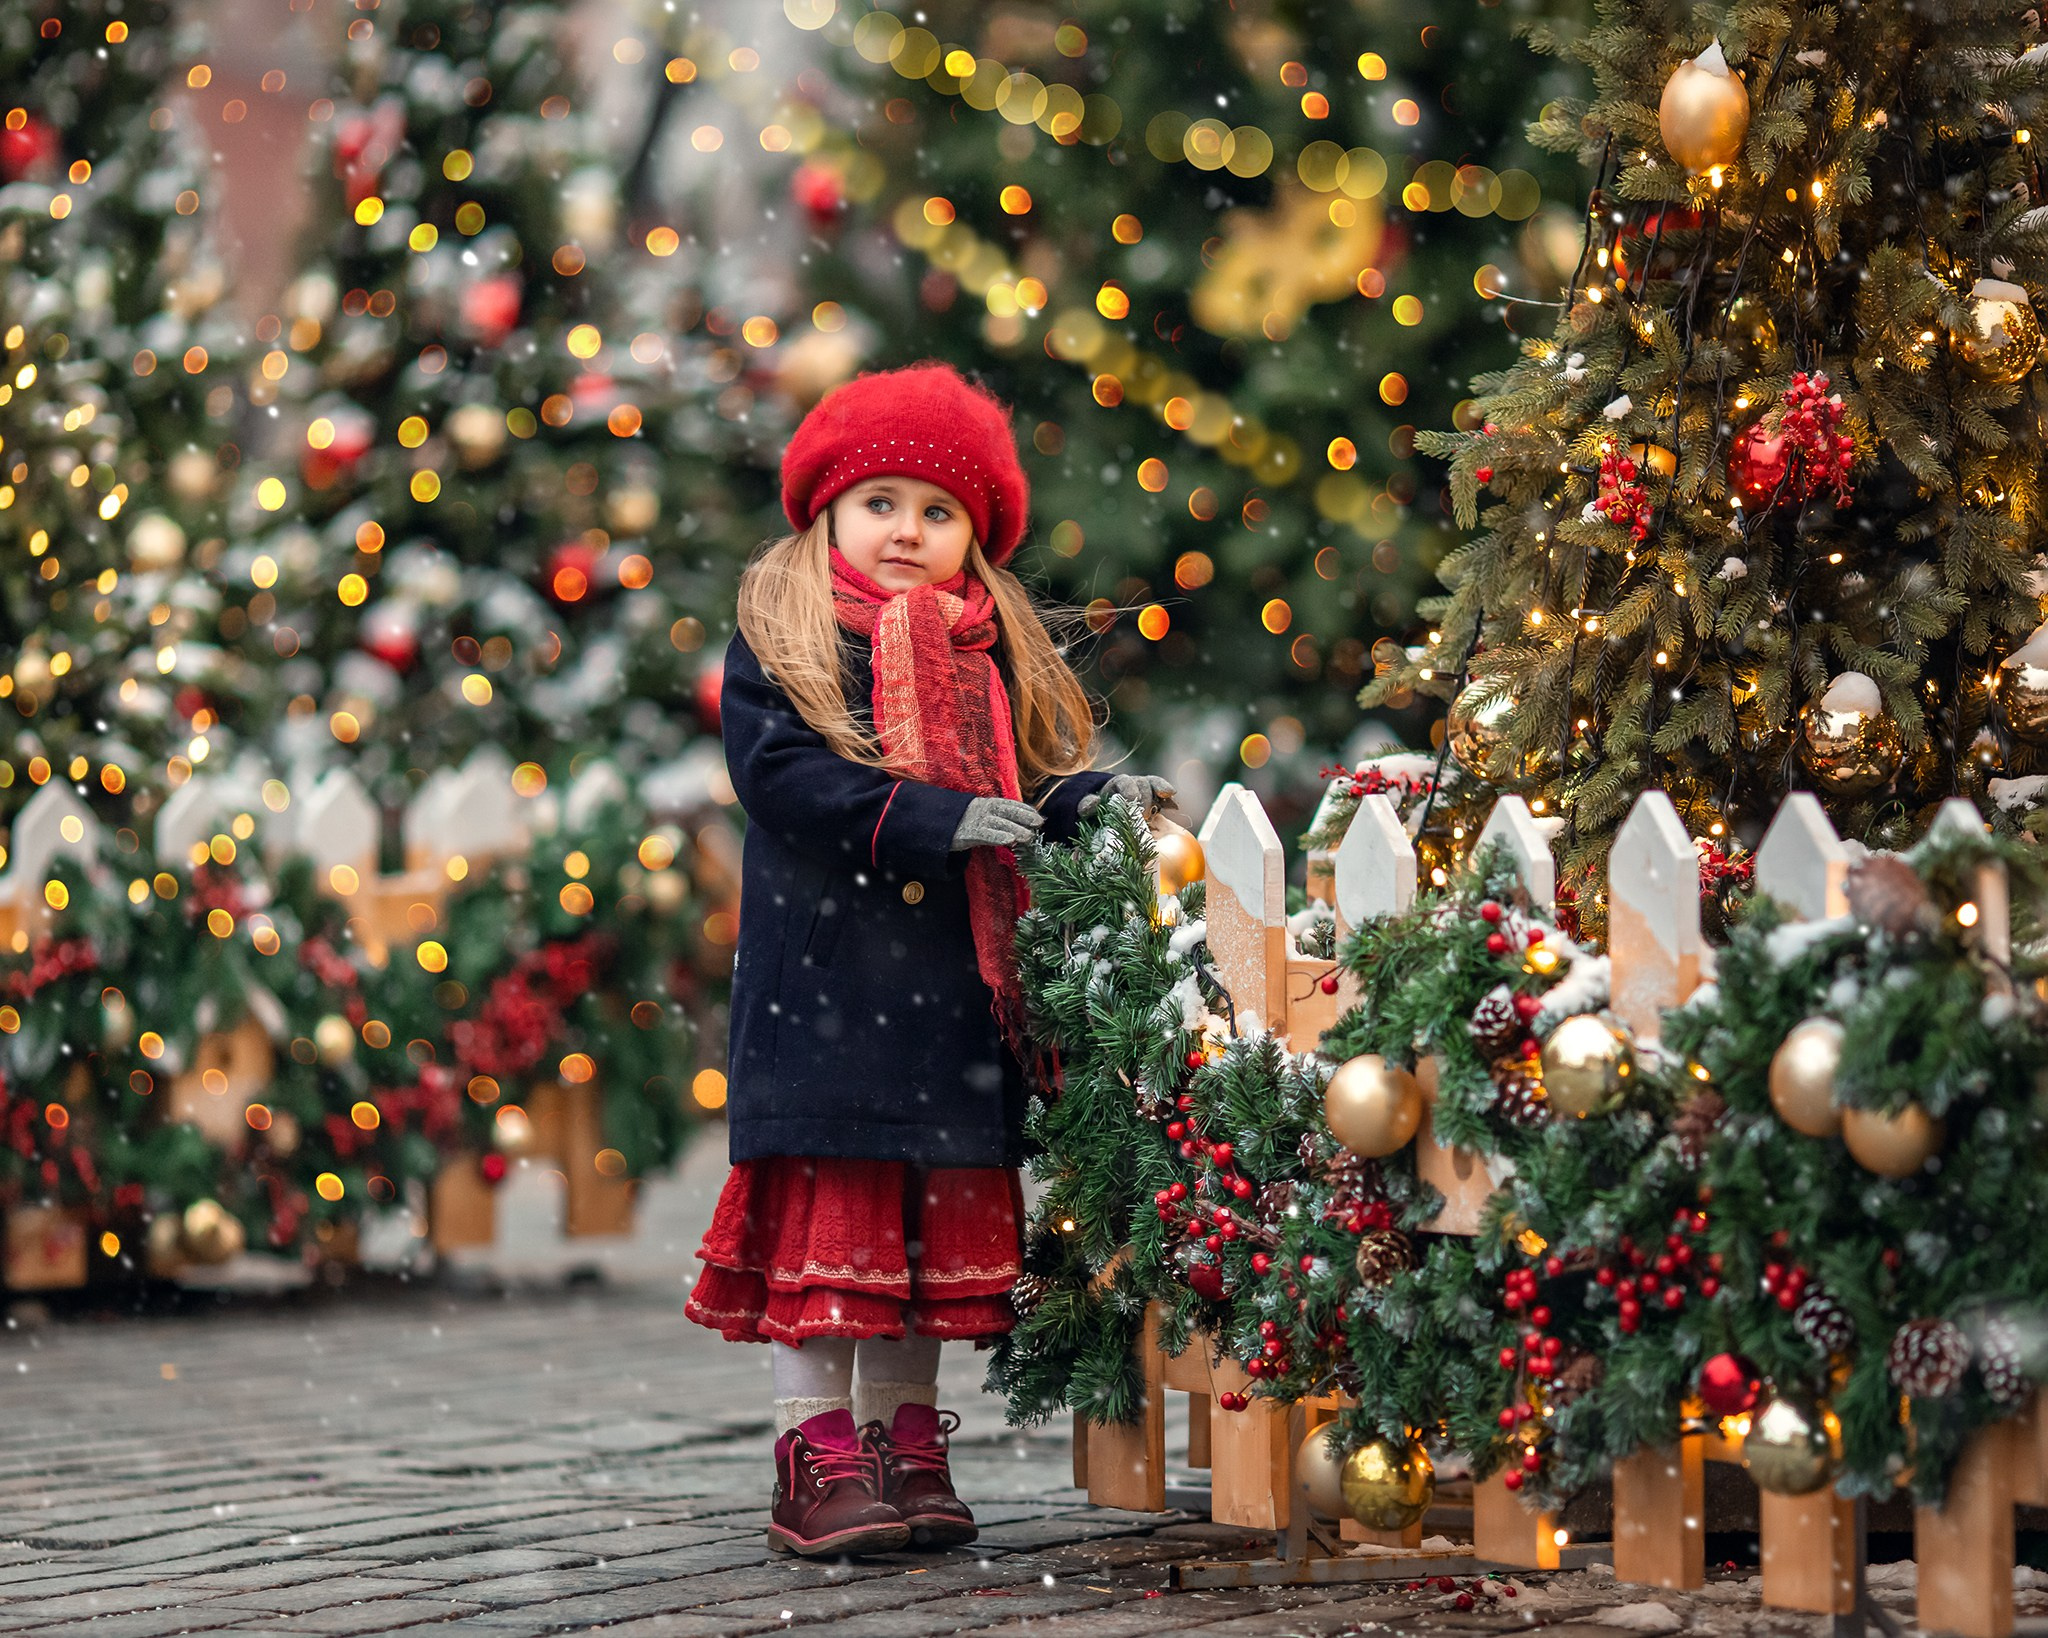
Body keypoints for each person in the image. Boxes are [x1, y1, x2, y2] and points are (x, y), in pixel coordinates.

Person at [684, 362, 1175, 1557]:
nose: (907, 530)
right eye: (881, 503)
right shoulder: (786, 640)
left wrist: (1087, 800)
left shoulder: (980, 655)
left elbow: (1017, 788)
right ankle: (814, 1450)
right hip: (828, 995)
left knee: (913, 1249)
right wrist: (924, 820)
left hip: (947, 1008)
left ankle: (905, 1439)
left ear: (975, 539)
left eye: (937, 511)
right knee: (836, 1239)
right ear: (827, 514)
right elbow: (783, 782)